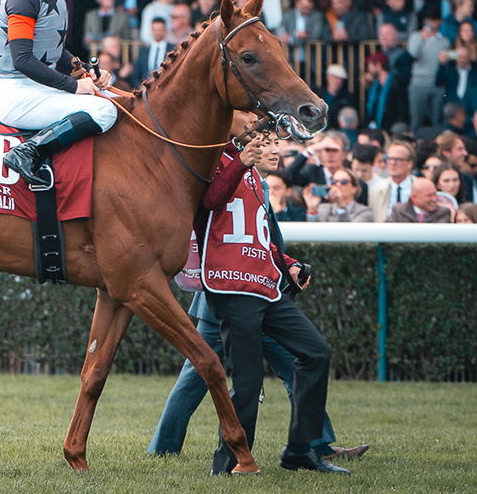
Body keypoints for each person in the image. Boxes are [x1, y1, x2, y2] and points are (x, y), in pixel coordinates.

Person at [149, 124, 365, 468]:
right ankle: (203, 453)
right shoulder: (225, 164)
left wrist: (290, 264)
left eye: (278, 144)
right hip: (227, 291)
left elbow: (263, 239)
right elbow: (208, 204)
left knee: (305, 359)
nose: (276, 150)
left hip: (262, 287)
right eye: (267, 143)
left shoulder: (258, 183)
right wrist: (239, 161)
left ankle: (307, 447)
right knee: (217, 377)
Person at [0, 0, 118, 185]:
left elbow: (54, 52)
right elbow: (23, 59)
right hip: (16, 94)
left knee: (116, 101)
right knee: (105, 111)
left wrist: (86, 72)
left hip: (36, 87)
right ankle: (28, 153)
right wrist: (73, 87)